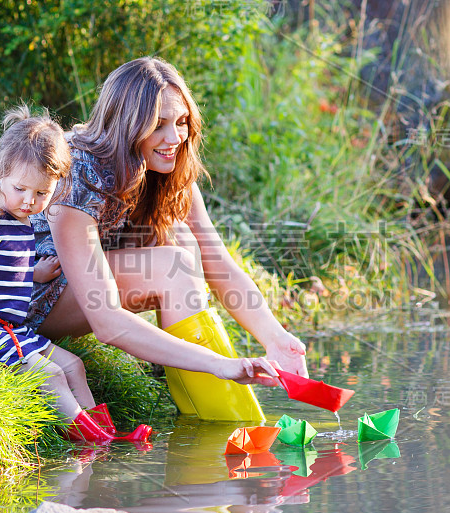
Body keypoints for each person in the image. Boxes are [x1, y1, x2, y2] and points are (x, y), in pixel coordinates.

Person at [26, 57, 307, 420]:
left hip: (74, 282)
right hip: (20, 298)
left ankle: (203, 413)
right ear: (126, 125)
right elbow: (108, 324)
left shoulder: (166, 166)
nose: (174, 138)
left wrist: (275, 337)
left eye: (181, 122)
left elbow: (217, 260)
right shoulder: (77, 174)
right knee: (171, 268)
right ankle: (229, 420)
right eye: (158, 125)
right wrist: (219, 363)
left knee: (185, 243)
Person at [0, 105, 141, 443]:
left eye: (41, 193)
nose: (29, 201)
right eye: (21, 189)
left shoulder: (22, 220)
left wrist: (35, 274)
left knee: (74, 366)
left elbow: (4, 269)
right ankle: (92, 441)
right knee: (54, 375)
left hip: (12, 328)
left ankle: (105, 430)